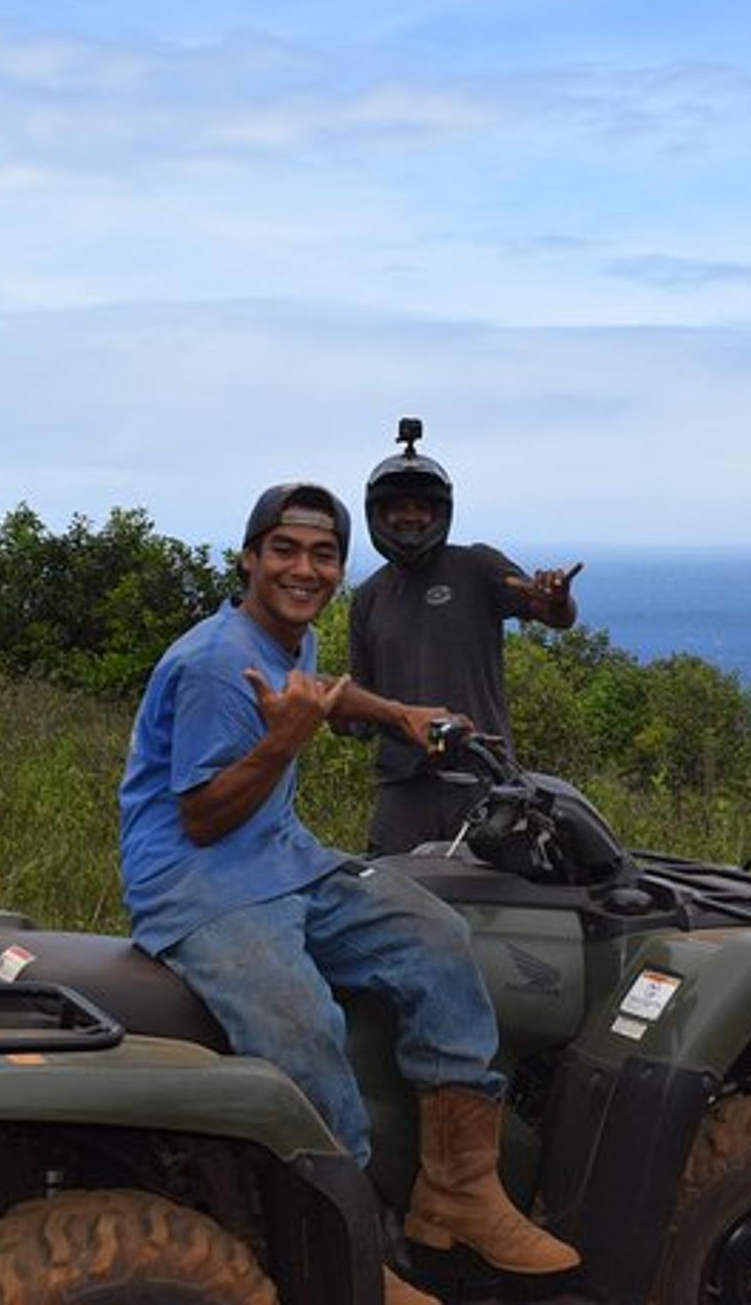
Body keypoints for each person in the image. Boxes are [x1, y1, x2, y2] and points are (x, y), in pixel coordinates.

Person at [117, 482, 579, 1305]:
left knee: (436, 937)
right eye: (286, 551)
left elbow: (325, 691)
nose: (305, 568)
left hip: (284, 860)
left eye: (322, 554)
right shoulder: (217, 663)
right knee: (305, 1031)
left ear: (338, 565)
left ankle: (458, 1189)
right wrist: (282, 743)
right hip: (199, 884)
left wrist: (399, 711)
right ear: (250, 558)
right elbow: (202, 818)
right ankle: (350, 1252)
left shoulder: (285, 633)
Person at [349, 421, 582, 856]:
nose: (410, 516)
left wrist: (556, 599)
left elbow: (553, 614)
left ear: (441, 513)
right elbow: (359, 706)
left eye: (422, 507)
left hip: (484, 779)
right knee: (393, 902)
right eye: (397, 507)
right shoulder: (369, 597)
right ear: (377, 514)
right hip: (404, 785)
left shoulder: (477, 567)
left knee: (497, 907)